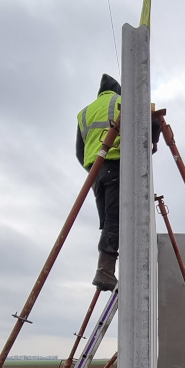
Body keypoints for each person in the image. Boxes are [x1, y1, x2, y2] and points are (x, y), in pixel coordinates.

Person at [77, 73, 122, 291]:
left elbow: (79, 152)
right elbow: (149, 124)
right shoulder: (122, 102)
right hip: (117, 166)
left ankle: (107, 265)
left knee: (107, 222)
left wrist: (94, 169)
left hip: (96, 172)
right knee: (115, 221)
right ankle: (105, 272)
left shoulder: (85, 112)